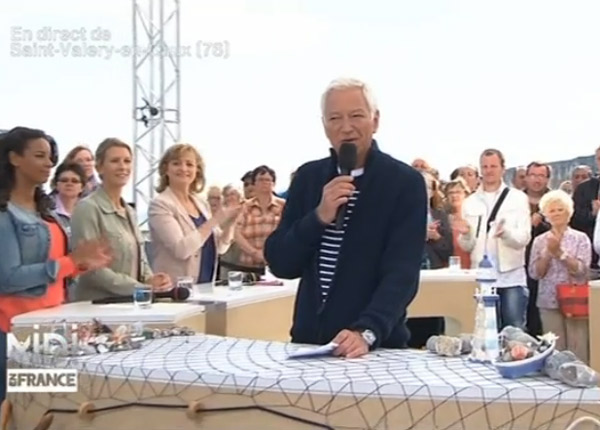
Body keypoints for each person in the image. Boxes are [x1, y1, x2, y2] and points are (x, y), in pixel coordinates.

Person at [264, 77, 427, 358]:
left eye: (356, 116)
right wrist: (318, 217)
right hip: (309, 345)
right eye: (335, 118)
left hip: (376, 349)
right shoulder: (308, 178)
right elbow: (281, 263)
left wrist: (367, 331)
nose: (346, 127)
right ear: (324, 125)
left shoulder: (404, 183)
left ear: (375, 121)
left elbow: (402, 274)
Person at [0, 127, 110, 410]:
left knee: (50, 409)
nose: (49, 163)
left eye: (50, 157)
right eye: (39, 156)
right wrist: (71, 262)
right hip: (14, 337)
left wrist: (80, 265)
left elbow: (52, 270)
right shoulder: (4, 213)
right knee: (20, 411)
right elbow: (8, 278)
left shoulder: (43, 212)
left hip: (47, 331)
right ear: (14, 158)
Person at [71, 138, 172, 301]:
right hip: (98, 306)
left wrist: (151, 279)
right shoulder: (87, 208)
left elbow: (140, 258)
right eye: (115, 161)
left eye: (127, 161)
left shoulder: (129, 211)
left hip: (129, 304)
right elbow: (89, 267)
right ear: (99, 167)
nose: (123, 167)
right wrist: (139, 287)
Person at [454, 148, 531, 330]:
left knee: (515, 331)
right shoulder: (469, 202)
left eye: (493, 166)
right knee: (484, 331)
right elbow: (467, 246)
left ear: (503, 168)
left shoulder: (518, 198)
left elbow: (524, 238)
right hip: (481, 277)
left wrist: (506, 234)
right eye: (485, 166)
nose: (489, 170)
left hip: (511, 276)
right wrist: (465, 234)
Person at [148, 144, 241, 284]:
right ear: (166, 169)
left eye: (189, 164)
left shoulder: (201, 203)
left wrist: (231, 222)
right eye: (176, 163)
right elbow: (181, 250)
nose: (183, 168)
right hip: (174, 290)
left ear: (197, 170)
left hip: (206, 287)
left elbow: (221, 248)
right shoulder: (160, 204)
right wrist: (215, 220)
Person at [529, 190, 591, 363]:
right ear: (546, 215)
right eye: (552, 210)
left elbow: (582, 270)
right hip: (548, 301)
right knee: (554, 351)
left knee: (579, 350)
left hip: (575, 301)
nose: (556, 214)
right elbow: (535, 273)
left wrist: (561, 254)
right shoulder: (539, 241)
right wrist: (548, 253)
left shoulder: (581, 239)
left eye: (560, 209)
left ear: (569, 212)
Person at [49, 161, 87, 227]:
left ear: (82, 187)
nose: (69, 184)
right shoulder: (46, 209)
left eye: (75, 181)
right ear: (56, 184)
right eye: (64, 180)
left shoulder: (89, 210)